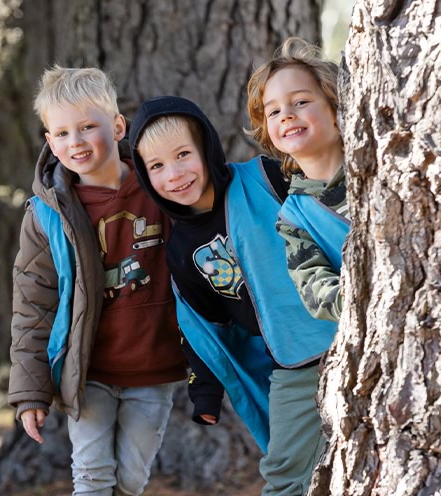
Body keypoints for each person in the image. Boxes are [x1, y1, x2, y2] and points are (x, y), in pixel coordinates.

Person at [128, 95, 337, 495]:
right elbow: (203, 326)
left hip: (348, 331)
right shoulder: (181, 251)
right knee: (286, 471)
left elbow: (327, 207)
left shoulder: (265, 178)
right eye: (156, 166)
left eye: (183, 155)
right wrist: (204, 390)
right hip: (294, 360)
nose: (174, 174)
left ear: (206, 147)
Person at [7, 66, 187, 496]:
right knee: (91, 476)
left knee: (130, 479)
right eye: (63, 133)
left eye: (88, 126)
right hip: (87, 373)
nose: (77, 141)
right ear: (50, 142)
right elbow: (33, 305)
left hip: (154, 368)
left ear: (118, 126)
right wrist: (30, 392)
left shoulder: (161, 186)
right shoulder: (47, 216)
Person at [246, 37, 349, 323]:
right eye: (274, 111)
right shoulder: (294, 218)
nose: (287, 116)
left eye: (301, 102)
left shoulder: (380, 168)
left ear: (337, 110)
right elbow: (314, 287)